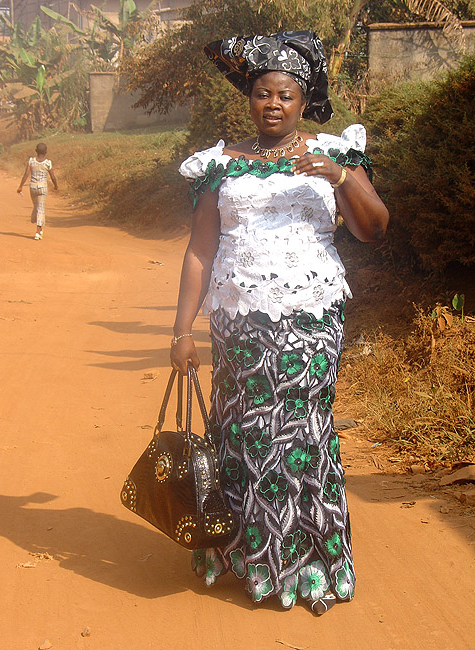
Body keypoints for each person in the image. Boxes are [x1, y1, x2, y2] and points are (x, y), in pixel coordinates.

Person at [170, 30, 389, 615]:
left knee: (301, 432)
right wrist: (182, 330)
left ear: (303, 98)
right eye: (263, 92)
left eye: (286, 95)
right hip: (239, 323)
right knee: (243, 430)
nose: (273, 103)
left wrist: (336, 176)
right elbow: (199, 251)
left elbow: (375, 228)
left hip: (312, 318)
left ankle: (308, 563)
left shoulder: (336, 152)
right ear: (250, 97)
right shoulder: (220, 164)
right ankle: (247, 555)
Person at [17, 142, 58, 240]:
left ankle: (37, 224)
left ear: (36, 151)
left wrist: (20, 186)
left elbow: (26, 174)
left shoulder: (31, 161)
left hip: (33, 188)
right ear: (46, 152)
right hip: (43, 188)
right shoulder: (48, 163)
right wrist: (56, 185)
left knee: (37, 207)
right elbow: (52, 176)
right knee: (41, 208)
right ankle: (38, 231)